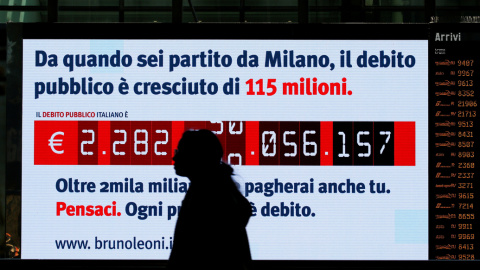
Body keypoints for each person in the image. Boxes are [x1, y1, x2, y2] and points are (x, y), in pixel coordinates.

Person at [167, 129, 253, 270]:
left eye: (180, 152)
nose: (174, 158)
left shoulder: (204, 199)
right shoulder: (218, 191)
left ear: (197, 157)